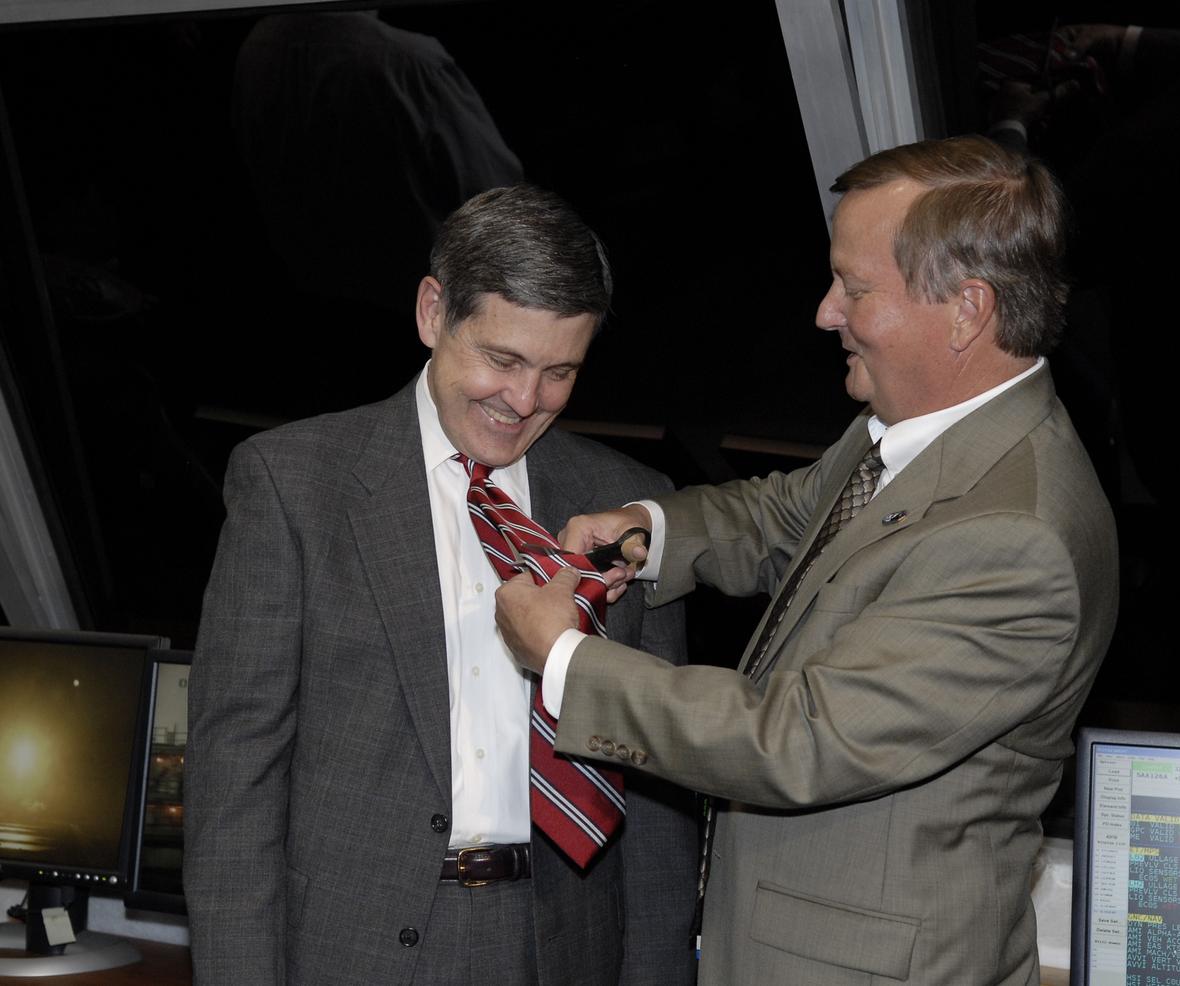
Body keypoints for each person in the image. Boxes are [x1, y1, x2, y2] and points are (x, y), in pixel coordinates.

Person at [493, 136, 1119, 985]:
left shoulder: (1016, 541)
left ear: (967, 310)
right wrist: (646, 528)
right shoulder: (926, 428)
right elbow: (794, 513)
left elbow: (796, 739)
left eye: (855, 289)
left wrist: (565, 660)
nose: (826, 313)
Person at [184, 185, 697, 986]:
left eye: (559, 372)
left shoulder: (627, 507)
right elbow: (234, 787)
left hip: (560, 947)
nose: (525, 402)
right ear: (432, 312)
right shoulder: (293, 486)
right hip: (346, 949)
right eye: (502, 359)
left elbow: (659, 798)